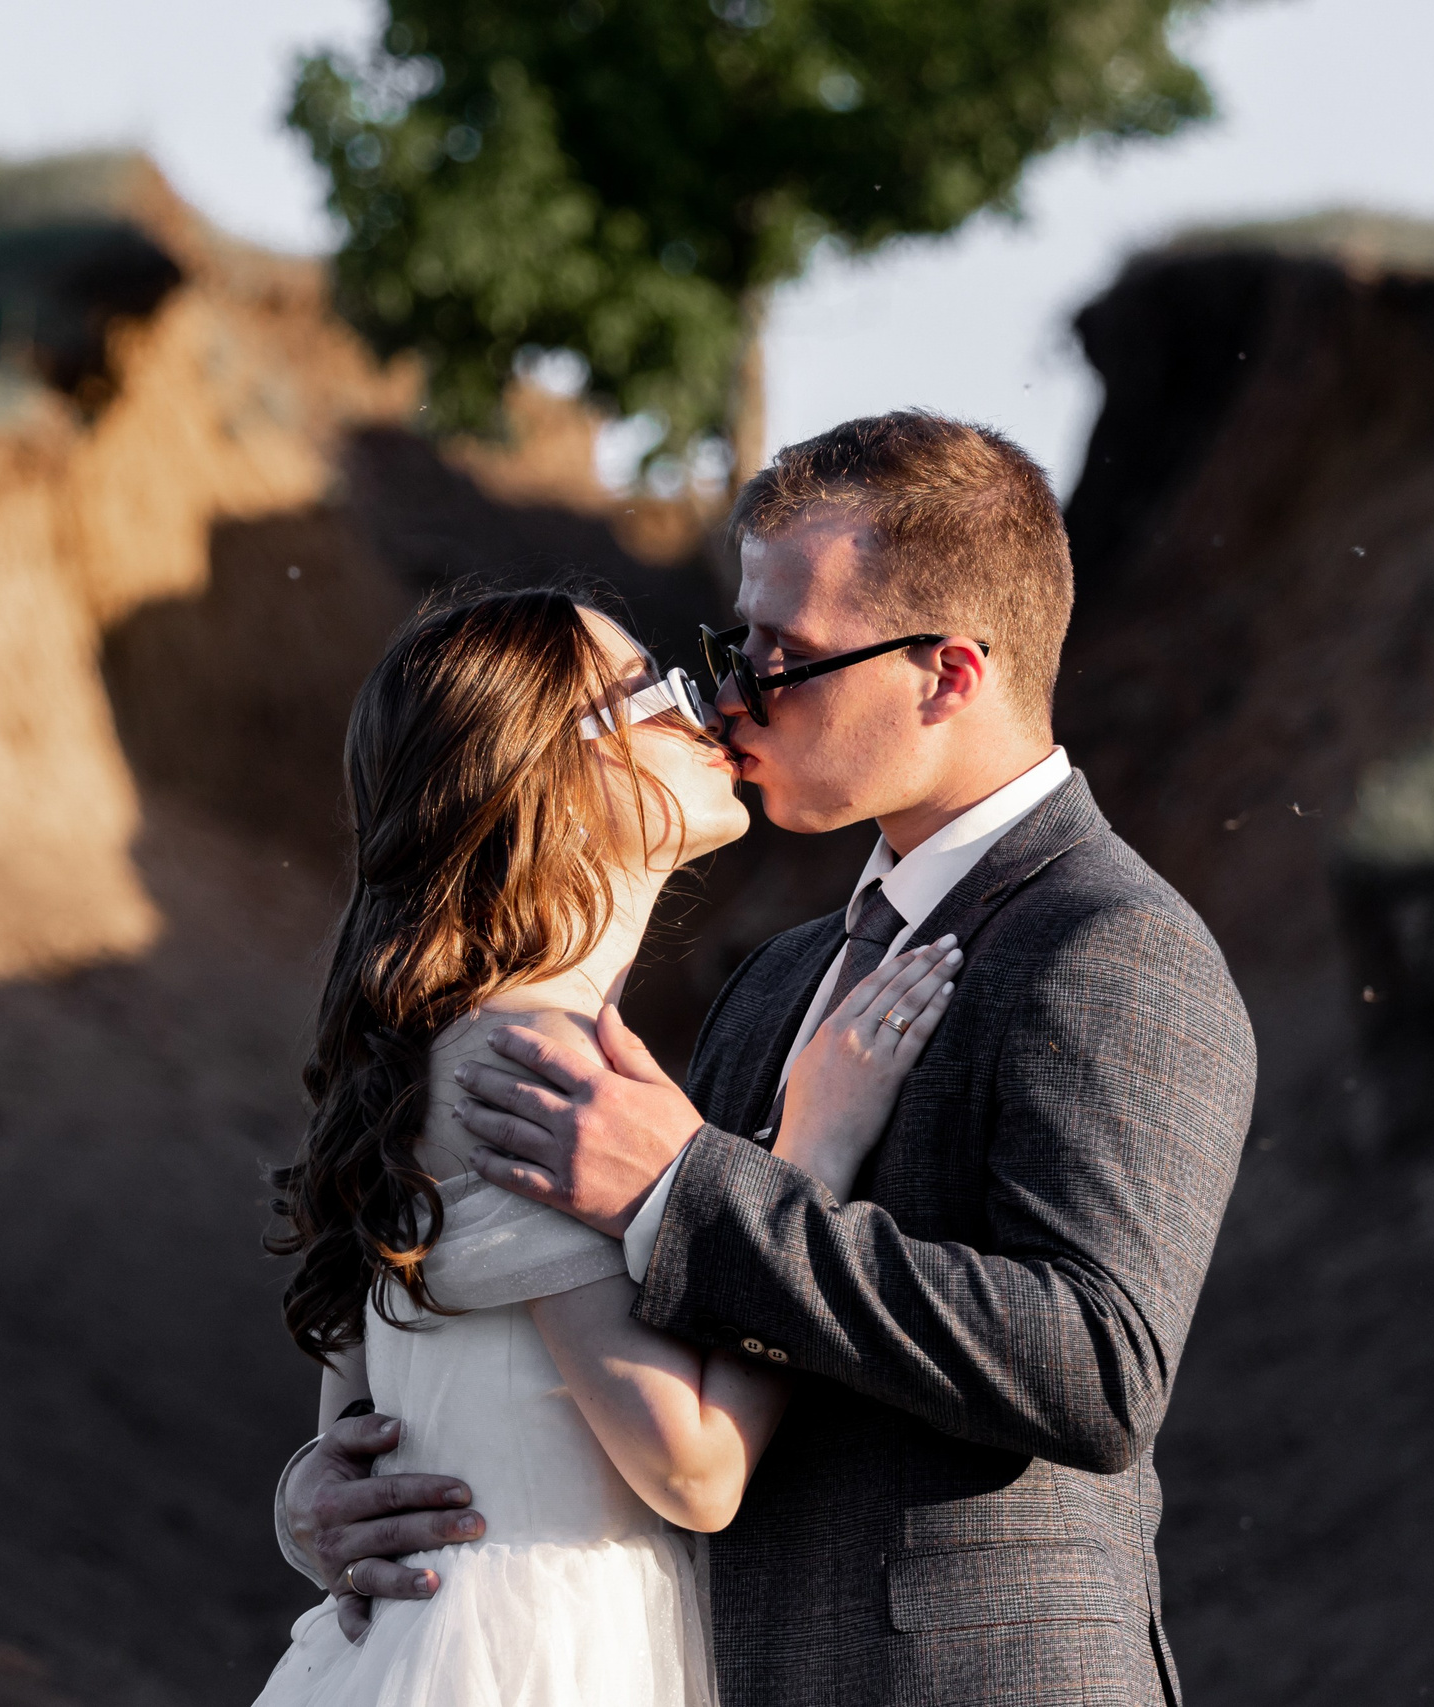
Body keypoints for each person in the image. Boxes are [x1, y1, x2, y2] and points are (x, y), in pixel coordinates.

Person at [280, 413, 1256, 1706]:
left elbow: (1099, 1362)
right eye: (729, 646)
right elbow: (621, 1333)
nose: (732, 693)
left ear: (947, 673)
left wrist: (694, 1187)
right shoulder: (778, 978)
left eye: (782, 655)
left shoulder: (1112, 943)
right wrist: (330, 1482)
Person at [253, 586, 963, 1707]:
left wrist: (309, 1496)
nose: (715, 708)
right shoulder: (524, 1057)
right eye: (658, 695)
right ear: (551, 773)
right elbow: (694, 1466)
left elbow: (358, 1428)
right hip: (545, 1654)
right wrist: (812, 1146)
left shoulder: (449, 1039)